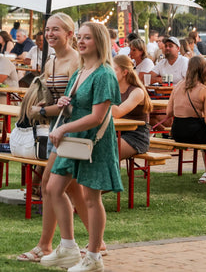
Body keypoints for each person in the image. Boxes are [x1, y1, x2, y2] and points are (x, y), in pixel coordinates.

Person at [41, 22, 122, 272]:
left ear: (99, 41)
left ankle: (94, 256)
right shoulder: (80, 72)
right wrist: (67, 104)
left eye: (88, 37)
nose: (82, 41)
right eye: (80, 37)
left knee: (90, 198)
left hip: (93, 140)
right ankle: (67, 247)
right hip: (75, 137)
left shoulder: (105, 74)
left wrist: (64, 127)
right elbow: (77, 107)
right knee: (53, 187)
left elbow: (98, 116)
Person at [20, 13, 101, 263]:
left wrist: (41, 111)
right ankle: (94, 243)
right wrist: (47, 104)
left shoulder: (77, 61)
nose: (50, 33)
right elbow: (58, 98)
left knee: (49, 184)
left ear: (69, 34)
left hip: (71, 128)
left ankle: (46, 245)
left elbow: (75, 104)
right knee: (70, 187)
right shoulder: (51, 62)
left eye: (56, 29)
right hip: (59, 127)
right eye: (47, 29)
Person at [165, 55, 206, 145]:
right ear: (205, 71)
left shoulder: (177, 86)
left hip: (177, 132)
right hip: (194, 133)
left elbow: (169, 112)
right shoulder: (205, 90)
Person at [111, 54, 151, 160]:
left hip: (136, 135)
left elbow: (117, 113)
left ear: (125, 72)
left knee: (107, 152)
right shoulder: (113, 90)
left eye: (113, 70)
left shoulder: (137, 92)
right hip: (116, 131)